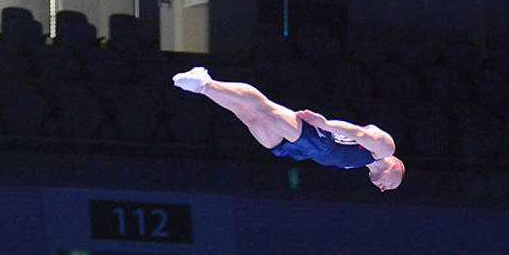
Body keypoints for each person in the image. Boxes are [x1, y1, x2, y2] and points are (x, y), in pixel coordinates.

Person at [173, 66, 405, 192]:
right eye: (392, 184)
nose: (384, 189)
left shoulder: (360, 163)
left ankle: (203, 86)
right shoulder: (385, 148)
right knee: (264, 109)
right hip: (318, 139)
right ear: (395, 167)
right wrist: (325, 124)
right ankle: (206, 83)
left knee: (249, 118)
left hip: (300, 152)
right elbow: (358, 132)